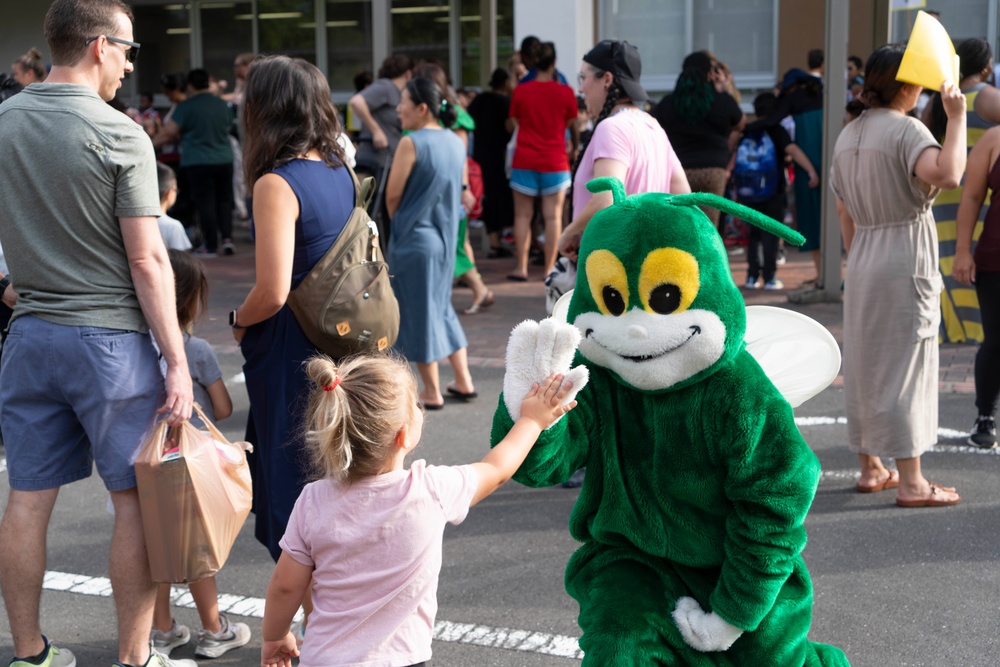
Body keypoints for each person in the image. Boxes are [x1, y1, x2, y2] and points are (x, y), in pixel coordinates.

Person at [0, 1, 195, 666]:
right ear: (100, 47)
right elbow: (147, 259)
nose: (131, 64)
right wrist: (177, 357)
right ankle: (135, 656)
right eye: (129, 50)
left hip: (29, 336)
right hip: (109, 341)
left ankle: (30, 653)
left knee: (26, 499)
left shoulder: (4, 121)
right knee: (133, 500)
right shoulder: (120, 134)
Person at [259, 355, 576, 667]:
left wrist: (275, 637)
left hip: (324, 658)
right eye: (416, 405)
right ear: (404, 435)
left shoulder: (313, 500)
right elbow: (496, 469)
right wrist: (532, 421)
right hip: (402, 659)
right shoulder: (431, 489)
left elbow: (286, 585)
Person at [231, 55, 355, 564]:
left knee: (292, 492)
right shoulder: (340, 170)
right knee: (334, 479)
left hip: (291, 348)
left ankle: (309, 623)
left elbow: (272, 291)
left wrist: (238, 322)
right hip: (338, 341)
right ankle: (333, 614)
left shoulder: (275, 184)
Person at [830, 44, 966, 507]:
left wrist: (859, 256)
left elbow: (843, 209)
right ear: (906, 86)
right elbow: (947, 173)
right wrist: (956, 116)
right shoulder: (908, 130)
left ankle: (871, 468)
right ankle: (911, 481)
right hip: (905, 253)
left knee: (867, 363)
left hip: (865, 253)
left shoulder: (848, 135)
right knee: (908, 364)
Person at [150, 249, 251, 659]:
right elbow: (223, 409)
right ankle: (214, 630)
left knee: (152, 550)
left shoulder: (133, 345)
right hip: (190, 470)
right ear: (192, 301)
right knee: (198, 553)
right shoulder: (196, 350)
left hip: (145, 463)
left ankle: (160, 630)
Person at [385, 77, 476, 408]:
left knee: (419, 312)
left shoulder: (412, 142)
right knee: (441, 307)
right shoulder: (455, 142)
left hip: (415, 241)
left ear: (421, 108)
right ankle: (464, 380)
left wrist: (402, 222)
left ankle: (431, 390)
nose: (398, 108)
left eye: (403, 102)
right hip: (444, 238)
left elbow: (392, 196)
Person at [559, 39, 690, 263]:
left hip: (610, 268)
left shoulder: (611, 127)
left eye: (584, 78)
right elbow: (684, 197)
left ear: (607, 79)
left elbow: (606, 198)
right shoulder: (653, 126)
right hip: (644, 264)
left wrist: (569, 232)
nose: (580, 89)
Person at [923, 39, 1000, 344]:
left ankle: (951, 330)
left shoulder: (934, 103)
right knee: (978, 260)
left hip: (943, 196)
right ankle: (981, 330)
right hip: (978, 197)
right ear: (985, 67)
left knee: (949, 261)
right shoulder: (988, 98)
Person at [744, 53, 825, 284]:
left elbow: (773, 121)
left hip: (800, 164)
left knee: (805, 217)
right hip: (825, 157)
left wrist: (747, 128)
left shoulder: (792, 98)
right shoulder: (822, 94)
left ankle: (819, 274)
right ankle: (825, 275)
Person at [652, 51, 744, 232]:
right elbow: (741, 124)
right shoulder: (722, 101)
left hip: (679, 171)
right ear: (710, 74)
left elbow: (654, 129)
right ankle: (708, 261)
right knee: (708, 230)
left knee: (680, 228)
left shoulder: (668, 103)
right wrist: (723, 91)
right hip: (713, 170)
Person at [508, 41, 578, 280]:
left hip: (525, 158)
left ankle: (521, 267)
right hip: (555, 161)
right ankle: (549, 269)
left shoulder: (522, 90)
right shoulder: (565, 92)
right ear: (554, 63)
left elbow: (514, 121)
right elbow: (570, 123)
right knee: (553, 217)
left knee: (522, 216)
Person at [952, 125, 1000, 448]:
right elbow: (970, 196)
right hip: (995, 258)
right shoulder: (994, 138)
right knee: (996, 340)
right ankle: (986, 414)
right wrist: (961, 251)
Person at [154, 68, 235, 257]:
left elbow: (169, 133)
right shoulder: (222, 104)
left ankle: (211, 245)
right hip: (224, 158)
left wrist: (149, 144)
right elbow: (229, 125)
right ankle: (228, 240)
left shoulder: (187, 106)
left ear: (190, 86)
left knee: (204, 202)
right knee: (223, 200)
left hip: (198, 160)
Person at [349, 53, 412, 244]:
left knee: (383, 211)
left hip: (389, 160)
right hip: (376, 160)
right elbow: (356, 102)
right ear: (408, 74)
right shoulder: (386, 86)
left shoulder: (396, 92)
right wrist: (376, 130)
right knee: (373, 210)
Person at [468, 67, 514, 258]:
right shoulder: (505, 102)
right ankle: (499, 242)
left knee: (486, 197)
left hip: (480, 156)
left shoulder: (478, 100)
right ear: (505, 83)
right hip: (499, 158)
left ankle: (494, 241)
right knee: (499, 198)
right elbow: (510, 129)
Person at [156, 163, 192, 251]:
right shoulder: (173, 226)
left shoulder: (132, 221)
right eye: (175, 190)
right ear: (169, 193)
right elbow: (181, 259)